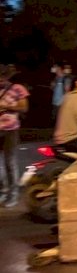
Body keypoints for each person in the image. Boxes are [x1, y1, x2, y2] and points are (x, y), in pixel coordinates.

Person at [0, 64, 30, 208]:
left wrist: (6, 107)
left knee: (9, 162)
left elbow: (24, 107)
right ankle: (3, 191)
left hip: (11, 129)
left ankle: (14, 194)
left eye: (2, 77)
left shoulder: (17, 88)